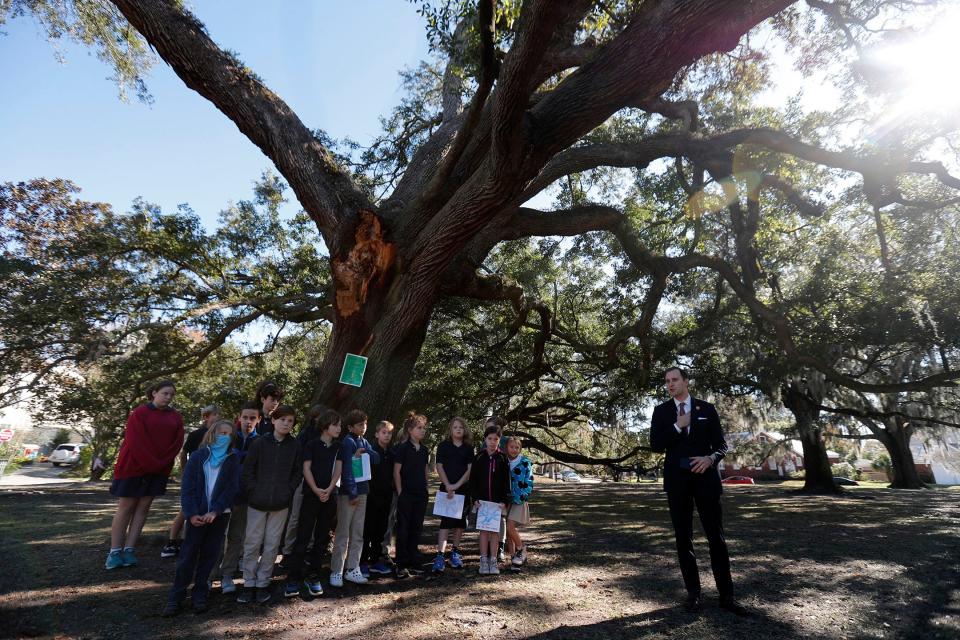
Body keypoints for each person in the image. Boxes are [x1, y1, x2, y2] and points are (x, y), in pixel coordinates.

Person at [650, 367, 747, 615]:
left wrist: (710, 459)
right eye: (667, 381)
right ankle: (693, 595)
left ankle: (727, 596)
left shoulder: (707, 408)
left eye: (674, 380)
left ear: (686, 381)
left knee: (716, 539)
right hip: (677, 482)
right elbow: (655, 445)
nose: (670, 384)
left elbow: (722, 445)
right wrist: (676, 426)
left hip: (706, 481)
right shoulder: (661, 411)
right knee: (684, 540)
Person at [163, 420, 240, 616]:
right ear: (212, 434)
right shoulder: (197, 457)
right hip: (196, 516)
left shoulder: (232, 459)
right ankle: (176, 597)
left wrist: (215, 511)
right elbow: (187, 489)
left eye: (228, 434)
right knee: (187, 556)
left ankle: (200, 594)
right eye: (221, 432)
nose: (224, 436)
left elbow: (231, 489)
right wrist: (191, 514)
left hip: (218, 516)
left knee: (210, 556)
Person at [106, 380, 184, 570]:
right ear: (154, 393)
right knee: (126, 507)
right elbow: (135, 441)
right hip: (132, 467)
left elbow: (177, 443)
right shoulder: (139, 413)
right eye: (165, 393)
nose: (168, 397)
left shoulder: (175, 417)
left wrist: (161, 463)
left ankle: (130, 550)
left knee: (143, 508)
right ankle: (115, 552)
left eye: (171, 395)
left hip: (158, 470)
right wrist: (152, 463)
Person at [238, 405, 301, 605]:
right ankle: (248, 582)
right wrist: (253, 490)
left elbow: (297, 473)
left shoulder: (295, 445)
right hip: (257, 502)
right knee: (252, 543)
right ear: (273, 420)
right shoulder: (259, 443)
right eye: (282, 419)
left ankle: (263, 582)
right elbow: (248, 470)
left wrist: (288, 491)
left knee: (272, 544)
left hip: (280, 504)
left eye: (290, 421)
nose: (286, 423)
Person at [285, 409, 343, 598]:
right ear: (326, 426)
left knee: (321, 538)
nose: (339, 428)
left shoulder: (338, 447)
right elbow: (306, 469)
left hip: (330, 497)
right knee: (303, 536)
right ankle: (293, 578)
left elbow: (338, 470)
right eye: (336, 425)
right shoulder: (311, 445)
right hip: (311, 495)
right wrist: (317, 489)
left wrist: (329, 489)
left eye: (340, 425)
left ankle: (314, 576)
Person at [161, 404, 221, 559]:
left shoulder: (219, 435)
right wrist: (185, 471)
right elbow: (184, 453)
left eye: (218, 415)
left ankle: (196, 544)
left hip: (211, 478)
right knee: (186, 510)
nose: (217, 417)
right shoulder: (196, 435)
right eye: (214, 414)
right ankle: (172, 541)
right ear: (206, 417)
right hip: (195, 477)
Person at [330, 409, 380, 587]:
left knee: (358, 532)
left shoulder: (363, 441)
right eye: (360, 424)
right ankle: (336, 570)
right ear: (350, 426)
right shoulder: (347, 442)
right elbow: (347, 470)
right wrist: (351, 492)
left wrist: (366, 450)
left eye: (365, 424)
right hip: (348, 494)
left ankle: (352, 568)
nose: (364, 427)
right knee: (343, 532)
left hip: (363, 491)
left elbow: (376, 459)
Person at [219, 401, 261, 594]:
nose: (248, 421)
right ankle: (209, 575)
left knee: (236, 536)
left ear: (258, 420)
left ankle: (227, 573)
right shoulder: (228, 437)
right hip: (222, 495)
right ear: (239, 418)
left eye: (252, 418)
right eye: (245, 417)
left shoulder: (260, 442)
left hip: (244, 497)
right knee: (217, 536)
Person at [280, 404, 328, 566]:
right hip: (303, 480)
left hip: (321, 482)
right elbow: (299, 459)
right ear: (315, 418)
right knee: (295, 517)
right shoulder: (305, 434)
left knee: (313, 517)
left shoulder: (328, 437)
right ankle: (288, 550)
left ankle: (308, 548)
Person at [431, 417, 473, 572]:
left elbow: (470, 469)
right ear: (450, 429)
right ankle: (440, 555)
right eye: (455, 427)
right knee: (446, 523)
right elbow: (439, 466)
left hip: (463, 489)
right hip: (446, 490)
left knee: (460, 523)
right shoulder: (443, 446)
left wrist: (456, 485)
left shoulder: (469, 448)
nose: (458, 429)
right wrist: (448, 485)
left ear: (465, 429)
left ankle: (454, 552)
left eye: (461, 427)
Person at [392, 413, 429, 579]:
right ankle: (401, 563)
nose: (422, 431)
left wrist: (426, 487)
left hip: (421, 494)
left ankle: (414, 560)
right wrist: (400, 491)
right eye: (419, 428)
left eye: (423, 428)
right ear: (410, 430)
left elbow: (425, 470)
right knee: (403, 528)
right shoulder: (402, 448)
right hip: (406, 494)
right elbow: (397, 471)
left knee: (416, 527)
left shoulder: (424, 450)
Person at [469, 424, 510, 576]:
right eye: (490, 438)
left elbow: (507, 482)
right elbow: (472, 481)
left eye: (496, 439)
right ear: (485, 439)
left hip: (497, 504)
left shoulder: (503, 458)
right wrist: (475, 498)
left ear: (500, 441)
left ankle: (493, 560)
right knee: (484, 531)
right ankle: (483, 560)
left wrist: (504, 500)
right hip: (483, 503)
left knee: (494, 532)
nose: (493, 441)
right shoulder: (479, 457)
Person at [361, 420, 395, 576]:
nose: (387, 435)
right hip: (371, 497)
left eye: (389, 433)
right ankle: (362, 562)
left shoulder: (391, 453)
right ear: (376, 434)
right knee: (367, 530)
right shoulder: (371, 451)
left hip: (386, 497)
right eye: (384, 432)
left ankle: (375, 561)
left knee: (380, 531)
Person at [503, 436, 533, 571]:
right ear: (507, 448)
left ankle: (521, 549)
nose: (514, 450)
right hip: (505, 500)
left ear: (520, 449)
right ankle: (514, 559)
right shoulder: (503, 461)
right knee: (508, 533)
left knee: (510, 526)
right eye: (511, 447)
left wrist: (524, 494)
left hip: (519, 499)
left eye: (517, 447)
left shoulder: (525, 462)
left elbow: (529, 480)